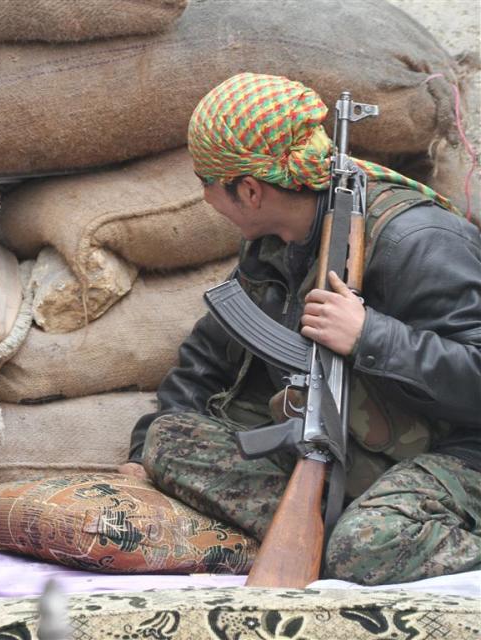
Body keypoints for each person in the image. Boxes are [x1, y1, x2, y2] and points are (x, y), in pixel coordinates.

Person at [118, 73, 481, 585]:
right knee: (166, 437)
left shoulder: (415, 240)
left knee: (365, 547)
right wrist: (141, 461)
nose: (203, 198)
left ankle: (356, 536)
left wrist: (369, 337)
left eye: (206, 182)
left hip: (459, 454)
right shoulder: (274, 245)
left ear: (248, 190)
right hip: (355, 451)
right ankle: (331, 527)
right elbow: (206, 358)